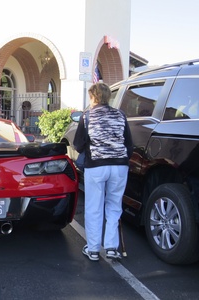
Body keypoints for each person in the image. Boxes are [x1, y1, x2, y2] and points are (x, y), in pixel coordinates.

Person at [73, 82, 133, 261]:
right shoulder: (121, 115)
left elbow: (77, 144)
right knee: (114, 206)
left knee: (94, 207)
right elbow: (129, 144)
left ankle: (93, 249)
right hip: (120, 165)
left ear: (93, 97)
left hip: (96, 165)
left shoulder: (88, 116)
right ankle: (111, 247)